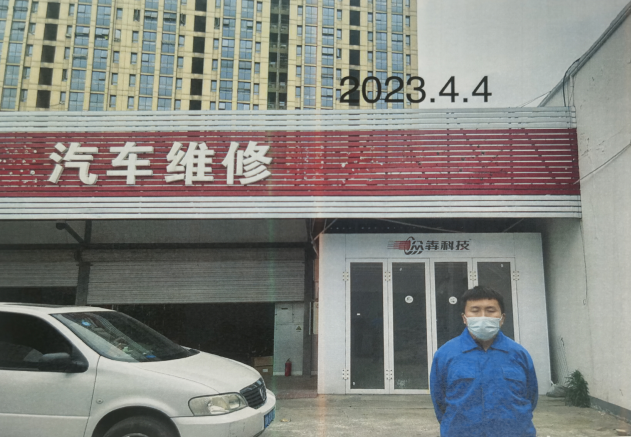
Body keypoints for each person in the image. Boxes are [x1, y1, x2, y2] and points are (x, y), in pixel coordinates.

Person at [430, 286, 538, 437]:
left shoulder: (519, 354)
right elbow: (439, 402)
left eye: (490, 310)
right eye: (475, 311)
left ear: (502, 318)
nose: (483, 316)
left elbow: (531, 397)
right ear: (464, 318)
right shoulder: (446, 355)